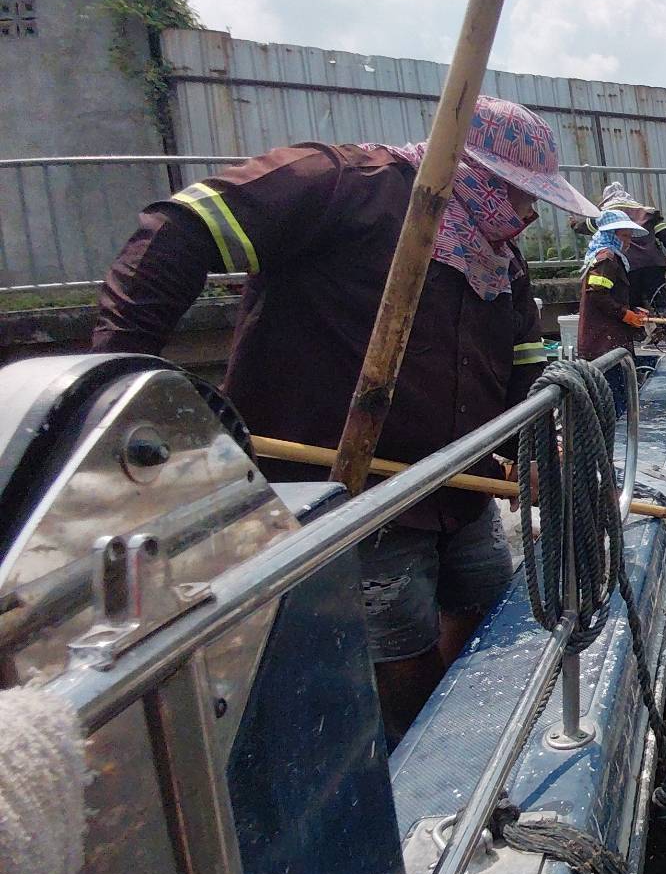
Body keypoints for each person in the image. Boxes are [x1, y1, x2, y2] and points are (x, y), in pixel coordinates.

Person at [90, 96, 600, 742]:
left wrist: (537, 445)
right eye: (523, 196)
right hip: (352, 495)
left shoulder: (498, 256)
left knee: (486, 610)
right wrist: (116, 383)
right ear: (477, 174)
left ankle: (472, 739)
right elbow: (182, 227)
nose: (529, 215)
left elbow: (522, 356)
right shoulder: (344, 186)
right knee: (396, 655)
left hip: (458, 488)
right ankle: (414, 765)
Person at [577, 209, 652, 414]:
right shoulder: (606, 259)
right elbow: (597, 294)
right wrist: (624, 315)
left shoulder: (612, 259)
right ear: (611, 235)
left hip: (610, 340)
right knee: (613, 400)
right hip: (603, 343)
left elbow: (609, 295)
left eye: (629, 236)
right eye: (624, 236)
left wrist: (632, 311)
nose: (628, 242)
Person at [595, 181, 666, 310]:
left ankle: (639, 322)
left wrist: (574, 223)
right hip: (653, 263)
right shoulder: (648, 213)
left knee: (633, 304)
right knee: (660, 302)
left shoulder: (606, 216)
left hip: (629, 266)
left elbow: (585, 226)